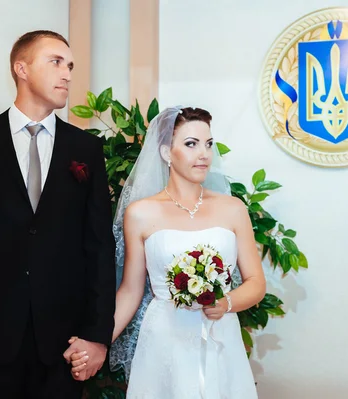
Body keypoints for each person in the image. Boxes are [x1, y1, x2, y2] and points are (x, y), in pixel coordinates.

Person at [0, 30, 116, 398]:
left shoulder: (86, 149)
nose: (67, 74)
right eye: (56, 62)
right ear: (22, 68)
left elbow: (99, 249)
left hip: (64, 344)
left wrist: (97, 337)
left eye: (71, 66)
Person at [65, 106, 266, 398]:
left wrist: (226, 302)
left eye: (208, 144)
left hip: (220, 336)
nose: (204, 154)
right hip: (164, 340)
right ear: (165, 153)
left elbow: (256, 283)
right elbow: (131, 292)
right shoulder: (140, 214)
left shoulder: (233, 209)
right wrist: (97, 342)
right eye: (191, 144)